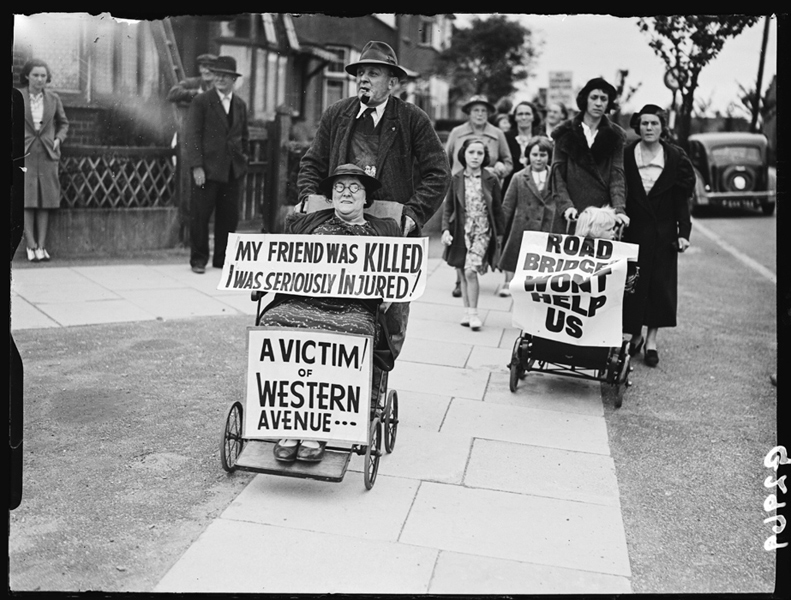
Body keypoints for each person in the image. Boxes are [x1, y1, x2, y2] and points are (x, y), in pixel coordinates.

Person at [297, 40, 451, 357]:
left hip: (389, 233)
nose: (363, 79)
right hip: (337, 231)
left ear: (392, 82)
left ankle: (375, 386)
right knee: (331, 309)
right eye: (360, 73)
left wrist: (414, 213)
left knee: (389, 319)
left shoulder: (412, 119)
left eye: (373, 73)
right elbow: (312, 163)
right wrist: (309, 198)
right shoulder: (337, 115)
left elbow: (439, 173)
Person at [262, 164, 402, 463]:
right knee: (271, 320)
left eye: (354, 187)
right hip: (304, 301)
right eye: (339, 187)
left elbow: (400, 271)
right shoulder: (308, 223)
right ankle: (290, 422)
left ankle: (318, 429)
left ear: (366, 198)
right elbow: (279, 258)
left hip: (353, 307)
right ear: (330, 196)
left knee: (353, 329)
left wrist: (390, 289)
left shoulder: (385, 229)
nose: (346, 192)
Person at [622, 104, 695, 367]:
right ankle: (635, 335)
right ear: (637, 126)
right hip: (634, 231)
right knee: (633, 285)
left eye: (654, 123)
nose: (649, 128)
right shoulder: (627, 154)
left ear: (663, 127)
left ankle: (651, 340)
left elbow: (681, 199)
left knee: (659, 287)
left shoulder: (674, 157)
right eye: (644, 123)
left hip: (664, 234)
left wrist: (683, 232)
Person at [184, 56, 249, 274]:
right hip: (207, 171)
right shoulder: (201, 102)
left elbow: (244, 137)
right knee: (200, 216)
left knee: (228, 218)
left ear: (233, 79)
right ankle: (198, 259)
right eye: (217, 74)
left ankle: (222, 260)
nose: (220, 79)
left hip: (232, 171)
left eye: (225, 75)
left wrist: (243, 162)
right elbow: (192, 135)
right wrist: (197, 166)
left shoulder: (240, 105)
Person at [446, 94, 512, 297]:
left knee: (480, 237)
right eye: (476, 110)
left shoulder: (497, 134)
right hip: (460, 191)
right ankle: (460, 281)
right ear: (468, 112)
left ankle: (473, 272)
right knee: (459, 236)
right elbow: (446, 159)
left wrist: (499, 169)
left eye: (484, 110)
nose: (480, 114)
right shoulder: (457, 133)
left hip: (485, 194)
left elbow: (508, 162)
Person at [550, 77, 629, 233]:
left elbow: (617, 176)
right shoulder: (564, 132)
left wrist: (619, 209)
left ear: (609, 103)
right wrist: (566, 206)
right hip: (571, 213)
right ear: (585, 99)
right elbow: (557, 175)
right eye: (594, 98)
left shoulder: (616, 135)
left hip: (600, 216)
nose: (598, 103)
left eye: (604, 99)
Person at [441, 138, 505, 330]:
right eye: (472, 152)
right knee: (461, 269)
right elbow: (449, 207)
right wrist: (445, 229)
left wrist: (500, 235)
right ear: (464, 154)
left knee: (471, 270)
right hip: (461, 228)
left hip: (482, 230)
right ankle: (467, 312)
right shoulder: (456, 179)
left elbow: (497, 208)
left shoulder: (490, 179)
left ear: (485, 156)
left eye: (480, 153)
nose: (475, 157)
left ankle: (475, 313)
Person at [20, 58, 69, 262]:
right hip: (24, 154)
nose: (40, 79)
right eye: (36, 75)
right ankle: (30, 246)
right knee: (26, 200)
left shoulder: (53, 98)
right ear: (27, 76)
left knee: (45, 201)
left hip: (48, 154)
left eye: (43, 75)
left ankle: (41, 246)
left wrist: (58, 139)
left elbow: (63, 123)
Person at [498, 136, 555, 297]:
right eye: (535, 154)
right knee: (514, 252)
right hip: (523, 224)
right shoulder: (519, 177)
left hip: (546, 223)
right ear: (528, 155)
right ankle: (509, 281)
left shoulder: (556, 177)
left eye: (543, 155)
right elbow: (507, 205)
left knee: (543, 258)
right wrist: (500, 230)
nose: (538, 159)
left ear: (549, 156)